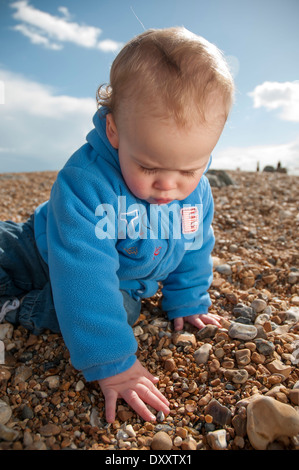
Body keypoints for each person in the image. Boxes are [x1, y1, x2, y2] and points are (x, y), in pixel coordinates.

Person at [0, 27, 234, 423]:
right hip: (39, 249)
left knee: (119, 310)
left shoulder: (196, 195)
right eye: (149, 166)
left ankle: (21, 307)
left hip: (119, 283)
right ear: (114, 132)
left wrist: (188, 299)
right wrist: (114, 362)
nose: (169, 185)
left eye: (190, 169)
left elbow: (194, 247)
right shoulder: (85, 183)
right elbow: (83, 271)